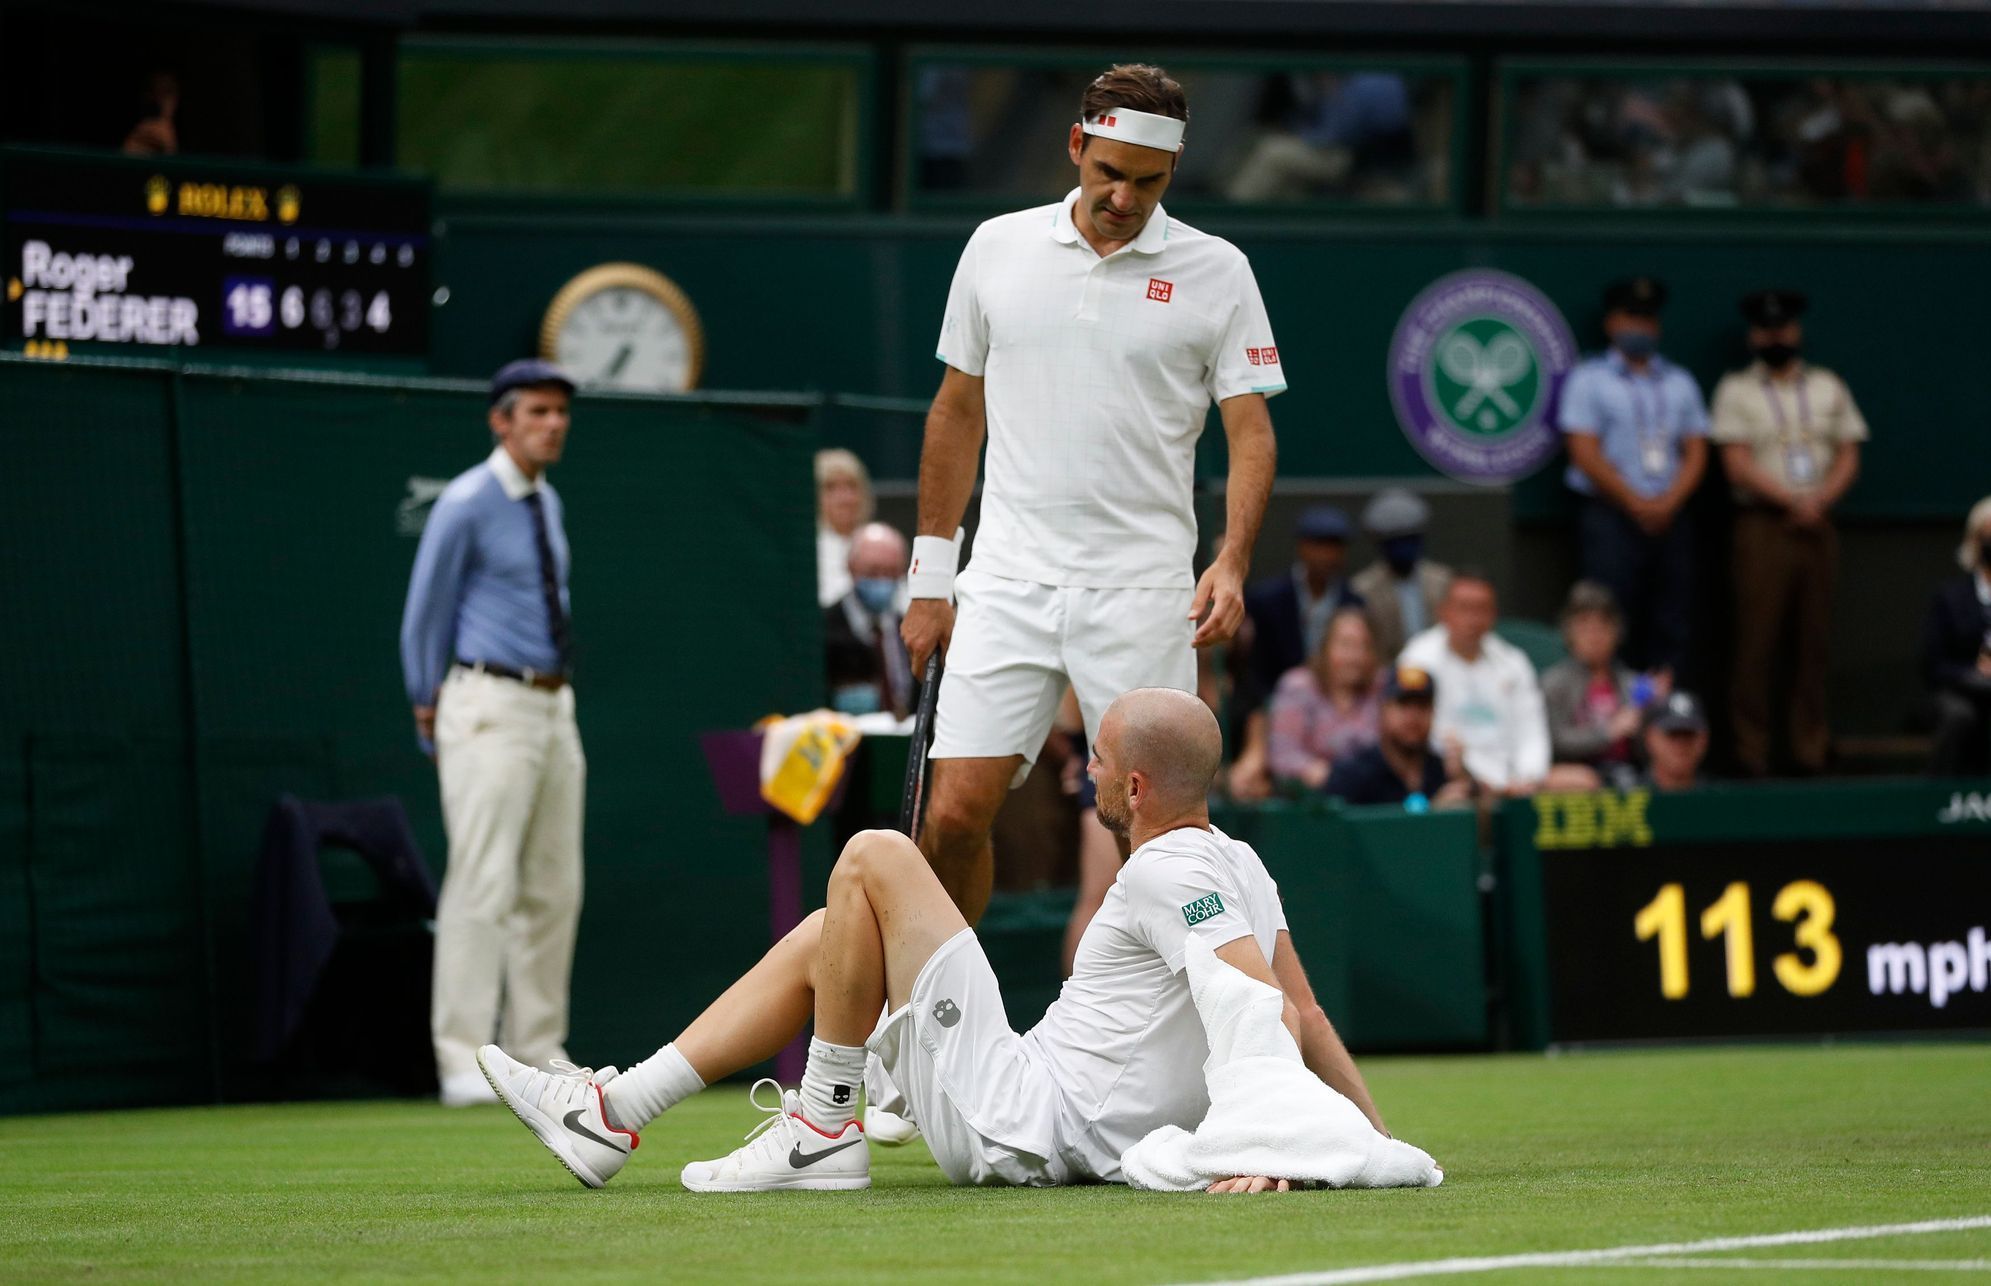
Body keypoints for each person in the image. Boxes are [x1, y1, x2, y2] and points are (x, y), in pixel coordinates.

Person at [476, 689, 1396, 1193]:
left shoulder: (1165, 871)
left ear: (1141, 788)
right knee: (832, 927)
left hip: (1021, 1122)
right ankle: (616, 1113)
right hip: (1031, 1099)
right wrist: (1368, 1136)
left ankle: (822, 1126)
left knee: (874, 853)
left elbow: (1254, 1005)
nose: (1091, 775)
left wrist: (1272, 1143)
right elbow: (1303, 1013)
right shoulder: (1238, 863)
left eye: (1105, 764)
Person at [902, 64, 1283, 924]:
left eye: (1147, 182)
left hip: (1145, 592)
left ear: (1172, 173)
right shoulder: (994, 247)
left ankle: (1182, 1048)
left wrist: (1232, 558)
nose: (1123, 196)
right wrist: (930, 580)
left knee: (1157, 846)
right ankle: (952, 1038)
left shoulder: (1218, 271)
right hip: (1003, 580)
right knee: (952, 819)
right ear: (1075, 144)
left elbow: (1250, 431)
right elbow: (956, 414)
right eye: (1108, 172)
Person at [400, 359, 585, 1107]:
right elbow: (425, 610)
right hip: (485, 703)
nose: (552, 425)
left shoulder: (548, 502)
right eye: (537, 412)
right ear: (500, 420)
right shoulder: (466, 503)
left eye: (560, 413)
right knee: (483, 882)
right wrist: (426, 700)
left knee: (553, 885)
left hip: (552, 707)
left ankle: (536, 1047)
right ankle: (463, 1060)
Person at [1710, 288, 1867, 776]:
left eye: (1783, 327)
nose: (1776, 335)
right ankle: (1751, 753)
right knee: (1756, 642)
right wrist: (1790, 500)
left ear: (1796, 331)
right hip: (1764, 525)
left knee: (1813, 641)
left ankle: (1809, 750)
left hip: (1819, 523)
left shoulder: (1828, 386)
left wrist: (1819, 499)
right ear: (1754, 335)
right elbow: (1734, 464)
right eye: (1766, 329)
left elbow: (1848, 453)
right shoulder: (1736, 389)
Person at [1556, 276, 1710, 675]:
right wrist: (1635, 501)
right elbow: (1584, 451)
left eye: (1646, 319)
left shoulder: (1680, 382)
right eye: (1630, 318)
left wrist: (1669, 502)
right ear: (1611, 323)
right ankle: (1611, 721)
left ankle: (1666, 721)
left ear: (1656, 326)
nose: (1638, 328)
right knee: (1609, 618)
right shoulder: (1589, 379)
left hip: (1671, 518)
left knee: (1671, 620)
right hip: (1611, 518)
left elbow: (1695, 450)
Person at [1398, 572, 1595, 795]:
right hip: (1455, 778)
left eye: (1481, 609)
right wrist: (1483, 779)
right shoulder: (1418, 658)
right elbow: (1427, 735)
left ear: (1494, 615)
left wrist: (1527, 777)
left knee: (1584, 781)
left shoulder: (1513, 661)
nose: (1473, 618)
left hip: (1516, 780)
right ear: (1443, 612)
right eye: (1464, 608)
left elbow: (1531, 731)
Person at [1540, 581, 1663, 789]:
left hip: (1630, 774)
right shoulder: (1553, 683)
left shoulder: (1633, 682)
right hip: (1576, 776)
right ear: (1569, 632)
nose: (1594, 636)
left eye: (1602, 626)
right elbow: (1555, 740)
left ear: (1616, 632)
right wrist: (1608, 732)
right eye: (1585, 627)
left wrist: (1656, 709)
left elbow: (1644, 749)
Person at [1244, 504, 1366, 705]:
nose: (1328, 555)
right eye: (1320, 544)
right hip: (1275, 706)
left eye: (1335, 545)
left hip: (1340, 707)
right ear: (1303, 546)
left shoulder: (1354, 602)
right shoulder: (1266, 600)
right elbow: (1256, 667)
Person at [1266, 606, 1382, 792]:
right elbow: (1282, 756)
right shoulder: (1298, 686)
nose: (1355, 657)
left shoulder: (1381, 687)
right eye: (1346, 645)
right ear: (1325, 648)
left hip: (1372, 798)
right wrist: (1328, 775)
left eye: (1364, 646)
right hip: (1312, 803)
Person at [1324, 665, 1469, 808]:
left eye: (1422, 705)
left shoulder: (1443, 772)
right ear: (1382, 710)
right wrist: (1433, 814)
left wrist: (1462, 780)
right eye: (1403, 704)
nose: (1413, 716)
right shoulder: (1352, 775)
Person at [1920, 496, 1991, 775]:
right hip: (1958, 691)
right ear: (1975, 540)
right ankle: (1938, 800)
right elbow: (1932, 664)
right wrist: (1974, 672)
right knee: (1959, 716)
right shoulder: (1950, 597)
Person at [1350, 489, 1452, 664]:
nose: (1405, 549)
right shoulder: (1362, 589)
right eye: (1395, 542)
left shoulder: (1443, 581)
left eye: (1411, 539)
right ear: (1380, 544)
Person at [824, 523, 916, 718]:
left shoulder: (912, 630)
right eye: (872, 572)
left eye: (891, 573)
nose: (882, 581)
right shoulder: (822, 628)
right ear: (850, 567)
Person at [816, 449, 876, 609]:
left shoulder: (879, 542)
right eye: (831, 488)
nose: (845, 499)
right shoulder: (808, 551)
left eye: (852, 486)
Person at [1640, 691, 1711, 791]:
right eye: (1672, 734)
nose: (1681, 743)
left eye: (1688, 734)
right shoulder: (1628, 795)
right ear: (1650, 738)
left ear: (1704, 739)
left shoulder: (1719, 798)